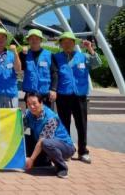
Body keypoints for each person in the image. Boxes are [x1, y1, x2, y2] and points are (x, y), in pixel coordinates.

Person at [53, 32, 101, 164]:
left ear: (74, 43)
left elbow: (97, 64)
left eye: (70, 41)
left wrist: (90, 48)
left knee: (82, 124)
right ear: (61, 44)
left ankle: (83, 152)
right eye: (64, 42)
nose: (67, 44)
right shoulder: (56, 57)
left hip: (80, 95)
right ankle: (66, 151)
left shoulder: (83, 56)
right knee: (64, 124)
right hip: (63, 95)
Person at [24, 93, 76, 179]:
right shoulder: (28, 113)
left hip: (66, 147)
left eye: (34, 103)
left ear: (41, 103)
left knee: (46, 143)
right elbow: (21, 128)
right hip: (46, 144)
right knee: (24, 137)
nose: (31, 107)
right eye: (29, 104)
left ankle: (62, 168)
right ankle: (43, 161)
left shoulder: (51, 118)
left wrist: (31, 159)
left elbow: (42, 141)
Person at [20, 29, 58, 107]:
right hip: (30, 94)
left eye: (37, 38)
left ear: (41, 40)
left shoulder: (49, 55)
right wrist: (22, 55)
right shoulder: (23, 54)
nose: (34, 41)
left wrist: (53, 89)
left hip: (46, 94)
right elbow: (20, 68)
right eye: (31, 38)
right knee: (30, 114)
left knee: (46, 115)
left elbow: (54, 73)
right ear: (28, 40)